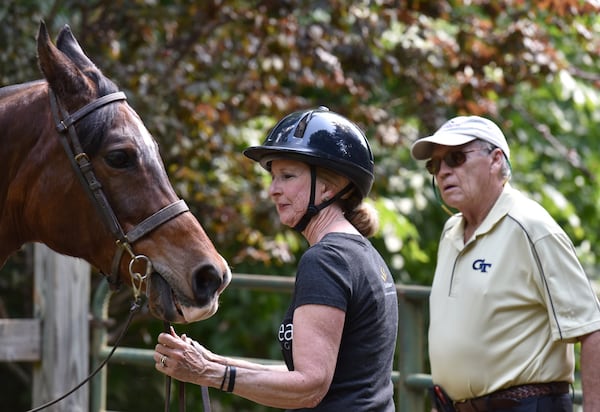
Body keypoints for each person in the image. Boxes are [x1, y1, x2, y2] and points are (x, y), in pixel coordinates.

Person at [154, 107, 399, 411]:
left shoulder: (326, 259)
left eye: (287, 176)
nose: (273, 190)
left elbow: (310, 387)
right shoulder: (362, 253)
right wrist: (210, 362)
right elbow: (313, 377)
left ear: (328, 187)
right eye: (273, 177)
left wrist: (209, 373)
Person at [410, 115, 600, 412]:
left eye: (455, 158)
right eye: (435, 165)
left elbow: (592, 329)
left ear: (496, 159)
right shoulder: (450, 233)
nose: (443, 172)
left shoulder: (531, 226)